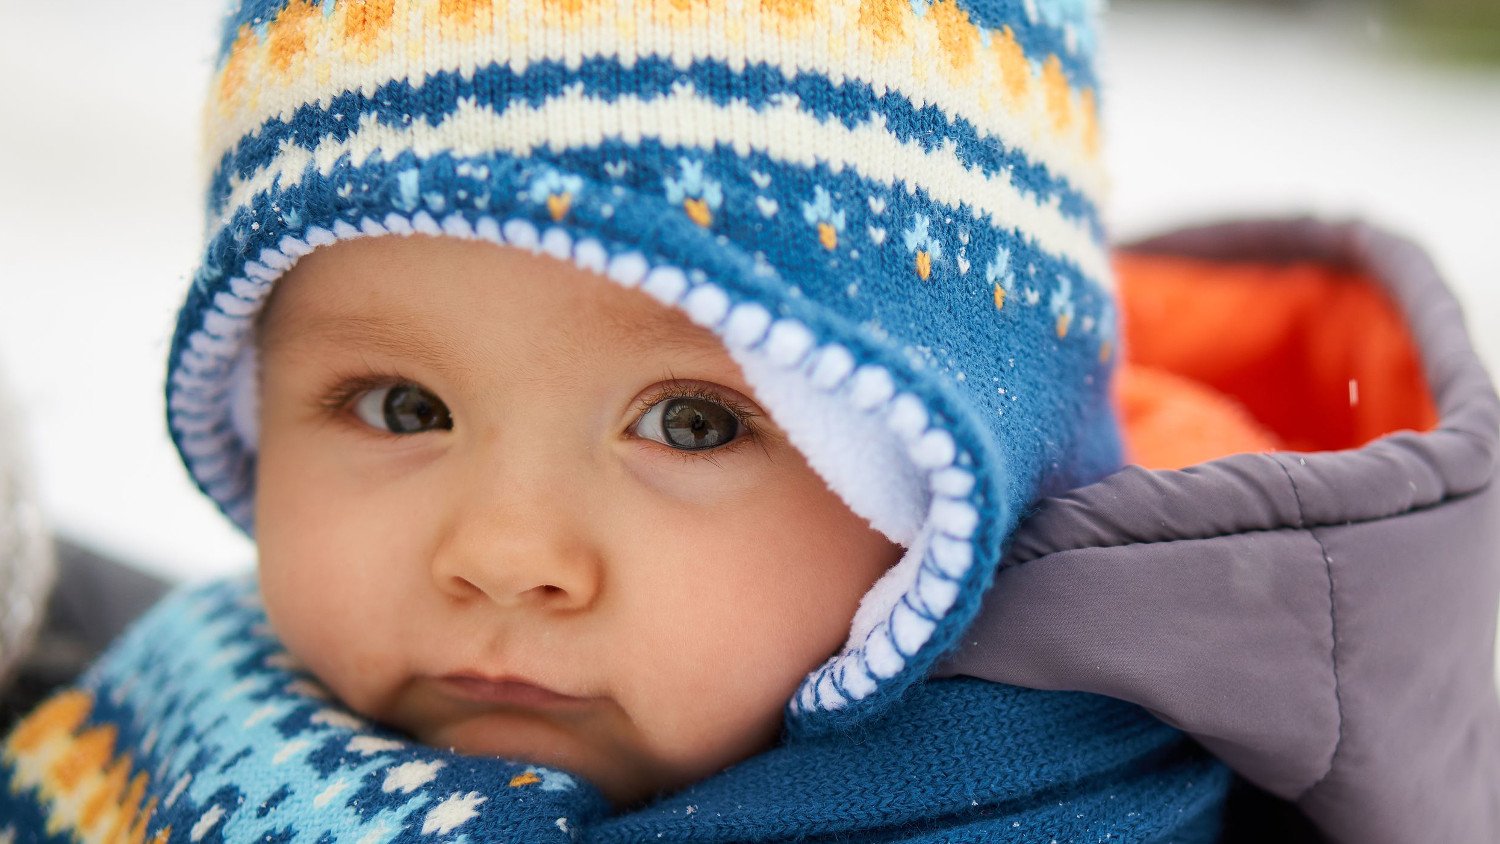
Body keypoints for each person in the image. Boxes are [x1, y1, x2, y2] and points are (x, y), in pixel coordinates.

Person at [2, 1, 1497, 841]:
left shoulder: (1085, 811)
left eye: (694, 426)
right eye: (402, 406)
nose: (506, 553)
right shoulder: (141, 735)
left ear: (957, 485)